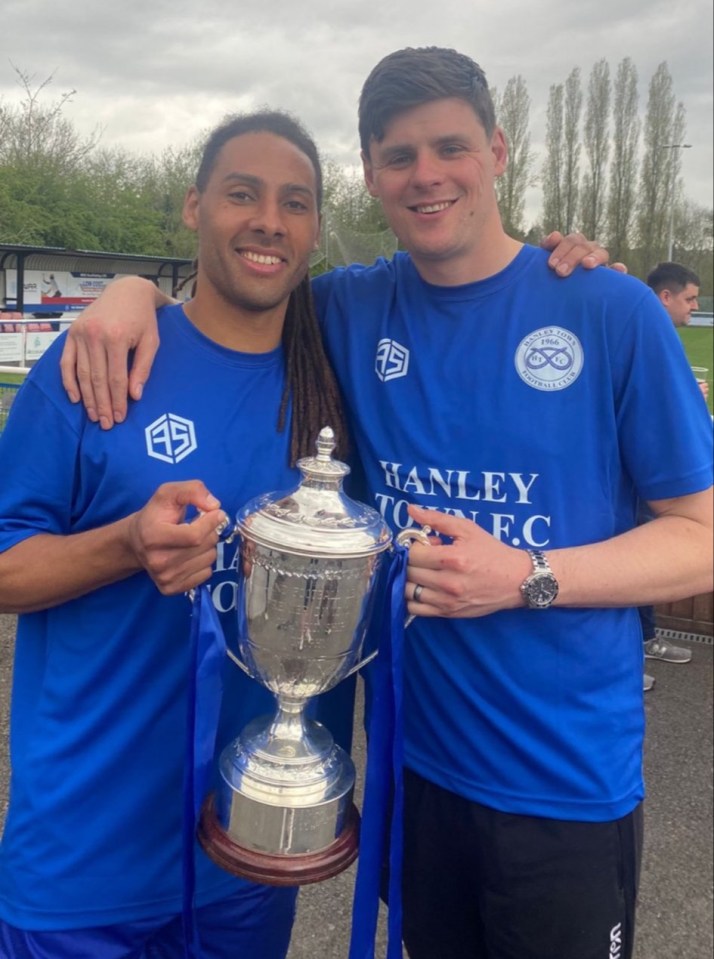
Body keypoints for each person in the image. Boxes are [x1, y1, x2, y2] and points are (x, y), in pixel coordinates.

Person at [58, 47, 713, 959]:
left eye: (451, 147)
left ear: (498, 149)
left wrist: (527, 574)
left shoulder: (607, 310)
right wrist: (130, 295)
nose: (427, 175)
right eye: (398, 156)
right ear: (371, 173)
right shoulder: (347, 309)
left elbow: (700, 539)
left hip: (562, 786)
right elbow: (236, 285)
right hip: (415, 768)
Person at [0, 110, 356, 959]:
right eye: (243, 193)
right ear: (195, 206)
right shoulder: (98, 361)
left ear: (313, 229)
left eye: (296, 202)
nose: (269, 219)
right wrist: (125, 543)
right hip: (85, 851)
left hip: (252, 841)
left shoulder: (336, 383)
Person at [638, 262, 705, 685]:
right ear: (665, 297)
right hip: (639, 477)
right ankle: (633, 652)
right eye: (690, 298)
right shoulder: (639, 335)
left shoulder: (660, 339)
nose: (695, 308)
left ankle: (643, 643)